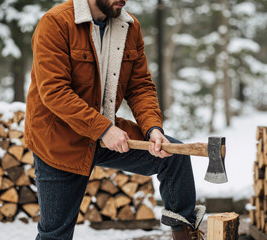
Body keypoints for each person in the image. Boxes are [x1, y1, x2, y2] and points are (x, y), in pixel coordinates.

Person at [25, 0, 205, 239]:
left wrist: (152, 128)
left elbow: (140, 87)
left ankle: (185, 234)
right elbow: (54, 91)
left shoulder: (129, 26)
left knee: (173, 157)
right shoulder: (56, 22)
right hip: (59, 140)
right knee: (55, 234)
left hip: (104, 130)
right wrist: (104, 130)